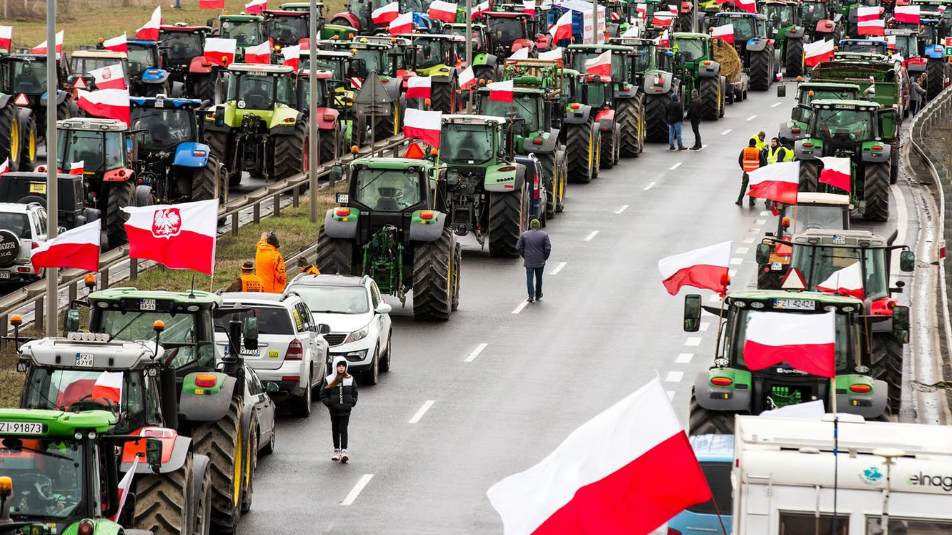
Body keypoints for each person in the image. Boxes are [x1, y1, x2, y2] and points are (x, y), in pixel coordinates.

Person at [320, 356, 358, 462]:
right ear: (335, 367)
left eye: (343, 366)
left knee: (343, 429)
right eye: (339, 366)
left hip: (346, 410)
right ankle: (336, 450)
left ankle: (344, 450)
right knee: (335, 430)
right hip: (334, 410)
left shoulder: (349, 379)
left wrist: (352, 402)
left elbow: (354, 392)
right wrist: (330, 403)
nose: (341, 368)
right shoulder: (330, 379)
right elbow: (323, 393)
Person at [516, 219, 551, 302]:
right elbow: (548, 248)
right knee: (539, 277)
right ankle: (538, 294)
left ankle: (531, 296)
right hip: (540, 260)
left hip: (529, 260)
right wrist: (544, 257)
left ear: (531, 226)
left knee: (529, 277)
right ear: (538, 226)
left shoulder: (524, 235)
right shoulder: (544, 235)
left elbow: (518, 247)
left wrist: (524, 255)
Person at [736, 138, 767, 207]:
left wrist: (743, 168)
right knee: (752, 187)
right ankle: (751, 201)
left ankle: (740, 200)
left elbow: (739, 160)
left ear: (749, 143)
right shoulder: (757, 151)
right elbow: (763, 162)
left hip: (746, 171)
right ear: (755, 144)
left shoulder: (744, 150)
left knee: (744, 186)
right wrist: (759, 169)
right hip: (754, 173)